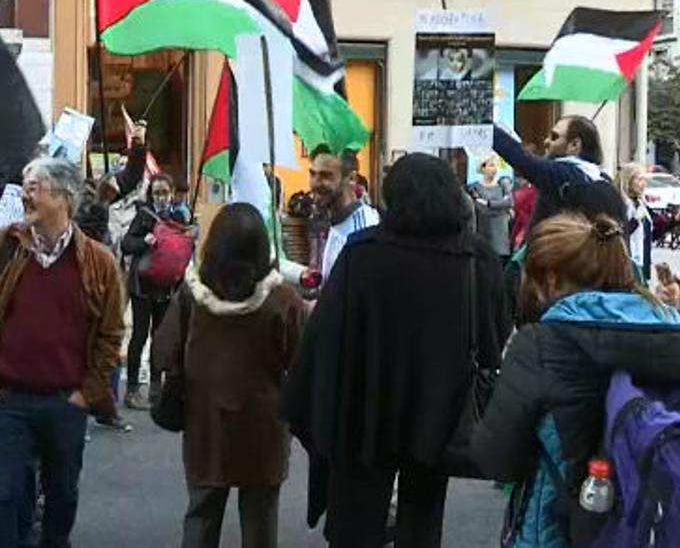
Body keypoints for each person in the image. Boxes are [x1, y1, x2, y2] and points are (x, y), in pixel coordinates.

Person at [284, 153, 508, 547]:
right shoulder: (477, 258)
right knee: (422, 524)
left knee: (356, 523)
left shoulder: (363, 253)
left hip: (365, 411)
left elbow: (324, 339)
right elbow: (494, 338)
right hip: (441, 414)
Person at [472, 212, 680, 546]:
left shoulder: (541, 344)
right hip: (655, 528)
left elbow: (497, 457)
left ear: (550, 280)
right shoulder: (672, 337)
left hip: (559, 530)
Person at [0, 156, 125, 548]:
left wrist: (88, 392)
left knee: (62, 496)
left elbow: (111, 333)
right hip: (4, 399)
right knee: (2, 496)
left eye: (37, 186)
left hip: (65, 402)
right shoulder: (0, 247)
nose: (26, 194)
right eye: (26, 185)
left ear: (65, 198)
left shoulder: (98, 262)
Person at [153, 203, 303, 548]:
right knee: (260, 522)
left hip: (206, 426)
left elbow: (163, 352)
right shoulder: (282, 300)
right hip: (264, 428)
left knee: (202, 516)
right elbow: (301, 361)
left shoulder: (193, 296)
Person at [121, 173, 193, 410]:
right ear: (151, 195)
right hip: (142, 288)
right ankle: (132, 390)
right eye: (157, 193)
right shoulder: (143, 216)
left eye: (164, 192)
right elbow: (126, 244)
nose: (161, 198)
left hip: (166, 288)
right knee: (139, 336)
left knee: (160, 337)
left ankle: (155, 386)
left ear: (172, 193)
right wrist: (145, 241)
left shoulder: (178, 217)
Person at [280, 146, 380, 291]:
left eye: (326, 176)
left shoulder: (362, 232)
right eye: (312, 174)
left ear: (351, 179)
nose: (315, 183)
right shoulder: (336, 221)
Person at [492, 116, 608, 231]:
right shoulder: (599, 178)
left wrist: (486, 128)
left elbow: (523, 159)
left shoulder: (566, 175)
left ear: (574, 145)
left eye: (554, 137)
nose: (546, 141)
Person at [469, 156, 513, 263]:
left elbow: (508, 202)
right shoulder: (475, 188)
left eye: (495, 166)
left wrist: (489, 203)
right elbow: (481, 208)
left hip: (501, 238)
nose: (494, 169)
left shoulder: (502, 186)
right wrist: (500, 206)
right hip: (483, 234)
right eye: (491, 165)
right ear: (483, 168)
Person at [617, 163, 652, 282]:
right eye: (640, 179)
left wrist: (676, 220)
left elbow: (651, 233)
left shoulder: (641, 204)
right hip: (627, 263)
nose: (643, 184)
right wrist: (636, 220)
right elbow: (621, 233)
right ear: (629, 181)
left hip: (641, 262)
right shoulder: (621, 205)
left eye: (644, 180)